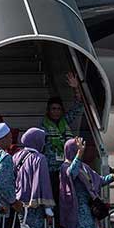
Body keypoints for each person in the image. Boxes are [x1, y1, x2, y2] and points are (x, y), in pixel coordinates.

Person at [13, 127, 55, 228]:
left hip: (19, 205)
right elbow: (42, 184)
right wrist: (48, 208)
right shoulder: (39, 158)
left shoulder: (16, 156)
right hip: (34, 207)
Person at [42, 72, 84, 217]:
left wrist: (76, 88)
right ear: (48, 110)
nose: (56, 112)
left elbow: (79, 106)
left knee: (66, 198)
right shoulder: (43, 127)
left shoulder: (65, 122)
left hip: (66, 168)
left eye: (58, 109)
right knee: (54, 198)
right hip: (51, 170)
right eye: (53, 109)